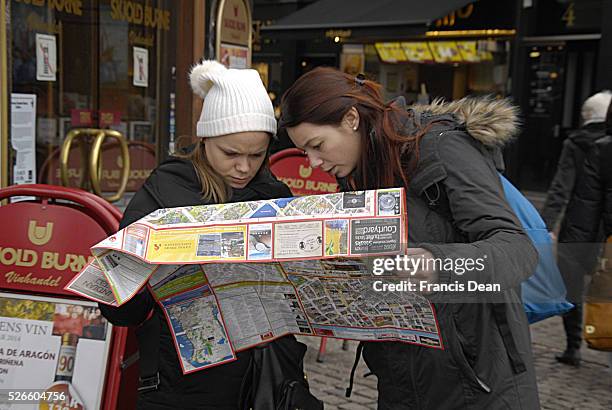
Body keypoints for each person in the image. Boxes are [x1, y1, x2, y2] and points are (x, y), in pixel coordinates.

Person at [279, 67, 539, 409]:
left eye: (317, 146)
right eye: (304, 152)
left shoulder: (442, 148)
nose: (313, 163)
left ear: (352, 119)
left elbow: (517, 248)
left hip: (478, 381)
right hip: (401, 377)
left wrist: (437, 264)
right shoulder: (359, 171)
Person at [99, 60, 302, 409]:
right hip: (182, 385)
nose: (243, 167)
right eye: (231, 153)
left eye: (257, 155)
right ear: (205, 138)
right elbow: (120, 311)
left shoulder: (275, 196)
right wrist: (140, 271)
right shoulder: (163, 194)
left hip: (264, 379)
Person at [540, 91, 611, 366]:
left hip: (579, 227)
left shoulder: (576, 143)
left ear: (586, 116)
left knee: (572, 289)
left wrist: (545, 226)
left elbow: (561, 187)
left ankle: (574, 346)